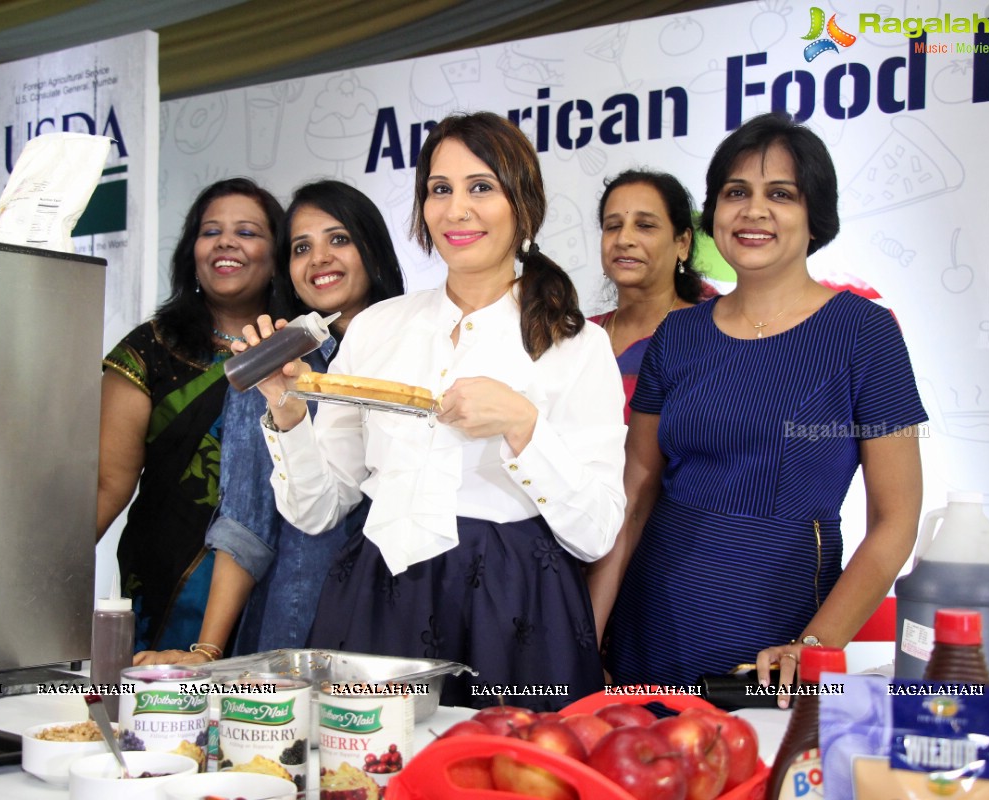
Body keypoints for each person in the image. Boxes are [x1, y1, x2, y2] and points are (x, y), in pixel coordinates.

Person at [235, 112, 626, 711]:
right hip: (378, 596)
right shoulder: (376, 328)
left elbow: (597, 533)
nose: (456, 210)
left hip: (516, 607)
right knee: (372, 773)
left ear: (523, 204)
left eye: (481, 187)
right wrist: (285, 412)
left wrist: (524, 426)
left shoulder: (576, 343)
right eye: (439, 190)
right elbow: (317, 510)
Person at [590, 113, 926, 700]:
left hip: (782, 628)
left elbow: (895, 523)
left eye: (781, 195)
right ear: (713, 215)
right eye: (736, 192)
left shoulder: (865, 333)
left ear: (815, 216)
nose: (754, 211)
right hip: (652, 617)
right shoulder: (678, 335)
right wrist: (586, 632)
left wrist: (816, 648)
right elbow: (635, 497)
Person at [133, 180, 405, 665]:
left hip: (410, 610)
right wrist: (208, 650)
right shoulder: (274, 367)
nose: (319, 257)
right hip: (304, 624)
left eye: (338, 239)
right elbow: (244, 523)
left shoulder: (421, 351)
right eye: (302, 247)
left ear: (375, 251)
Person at [97, 177, 284, 651]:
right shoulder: (150, 349)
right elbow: (107, 485)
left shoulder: (301, 350)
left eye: (247, 232)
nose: (225, 242)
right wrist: (35, 587)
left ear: (278, 253)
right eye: (210, 231)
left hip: (280, 573)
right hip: (165, 577)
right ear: (191, 251)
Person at [589, 169, 705, 422]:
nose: (624, 239)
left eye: (645, 226)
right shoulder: (578, 337)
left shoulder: (708, 334)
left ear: (683, 243)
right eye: (613, 226)